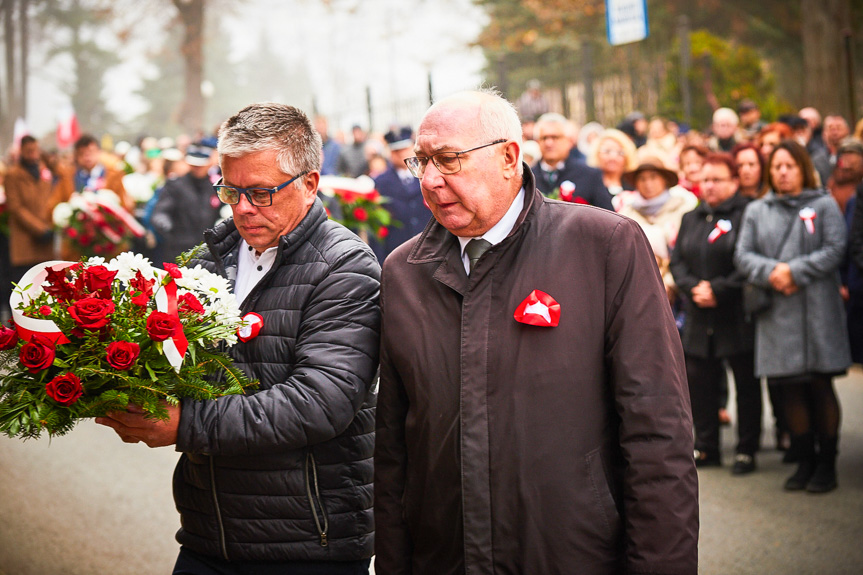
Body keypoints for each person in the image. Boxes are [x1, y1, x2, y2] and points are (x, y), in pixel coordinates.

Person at [374, 89, 698, 575]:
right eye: (421, 162)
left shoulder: (604, 247)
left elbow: (658, 436)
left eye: (448, 159)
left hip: (573, 555)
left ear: (508, 157)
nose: (431, 179)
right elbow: (394, 451)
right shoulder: (404, 272)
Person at [96, 103, 381, 574]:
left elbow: (319, 402)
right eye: (231, 190)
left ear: (310, 183)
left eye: (262, 192)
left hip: (308, 541)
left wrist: (183, 423)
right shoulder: (209, 261)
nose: (243, 208)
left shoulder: (344, 266)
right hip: (209, 533)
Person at [735, 140, 851, 493]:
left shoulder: (824, 204)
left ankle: (826, 463)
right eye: (777, 167)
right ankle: (804, 461)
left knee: (819, 384)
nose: (783, 172)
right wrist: (774, 273)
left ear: (803, 168)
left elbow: (835, 248)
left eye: (790, 166)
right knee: (789, 388)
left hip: (817, 309)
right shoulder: (757, 210)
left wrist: (794, 272)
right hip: (777, 311)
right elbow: (743, 255)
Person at [670, 153, 761, 474]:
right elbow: (677, 260)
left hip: (734, 313)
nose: (708, 185)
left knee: (746, 384)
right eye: (704, 179)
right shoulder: (691, 218)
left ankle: (746, 449)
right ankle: (706, 446)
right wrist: (693, 288)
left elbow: (748, 261)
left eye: (716, 179)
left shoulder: (748, 213)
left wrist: (718, 289)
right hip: (698, 315)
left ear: (734, 182)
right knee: (700, 382)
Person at [617, 158, 698, 300]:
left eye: (653, 178)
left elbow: (689, 252)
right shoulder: (626, 212)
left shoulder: (682, 209)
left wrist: (670, 284)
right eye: (642, 179)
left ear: (664, 180)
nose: (648, 184)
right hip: (635, 288)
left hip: (677, 289)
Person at [149, 142, 222, 264]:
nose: (197, 168)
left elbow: (222, 214)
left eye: (201, 164)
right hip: (178, 251)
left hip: (206, 252)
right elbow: (161, 211)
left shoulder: (215, 188)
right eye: (194, 165)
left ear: (209, 162)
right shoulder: (175, 185)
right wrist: (163, 223)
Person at [371, 126, 431, 263]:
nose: (401, 154)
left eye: (404, 148)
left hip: (429, 247)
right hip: (397, 252)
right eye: (396, 150)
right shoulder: (380, 183)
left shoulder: (428, 174)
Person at [531, 112, 613, 209]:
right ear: (537, 142)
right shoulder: (528, 178)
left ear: (568, 141)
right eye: (544, 138)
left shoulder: (590, 175)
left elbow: (607, 215)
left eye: (555, 137)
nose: (549, 143)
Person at [4, 135, 56, 283]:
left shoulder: (44, 170)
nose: (32, 154)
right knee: (25, 287)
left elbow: (62, 174)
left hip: (46, 240)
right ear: (21, 151)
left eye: (35, 150)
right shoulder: (13, 174)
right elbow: (15, 207)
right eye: (29, 151)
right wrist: (40, 229)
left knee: (46, 288)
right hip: (25, 240)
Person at [585, 128, 638, 198]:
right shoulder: (587, 186)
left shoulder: (633, 187)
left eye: (620, 152)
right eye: (607, 151)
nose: (613, 157)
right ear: (597, 154)